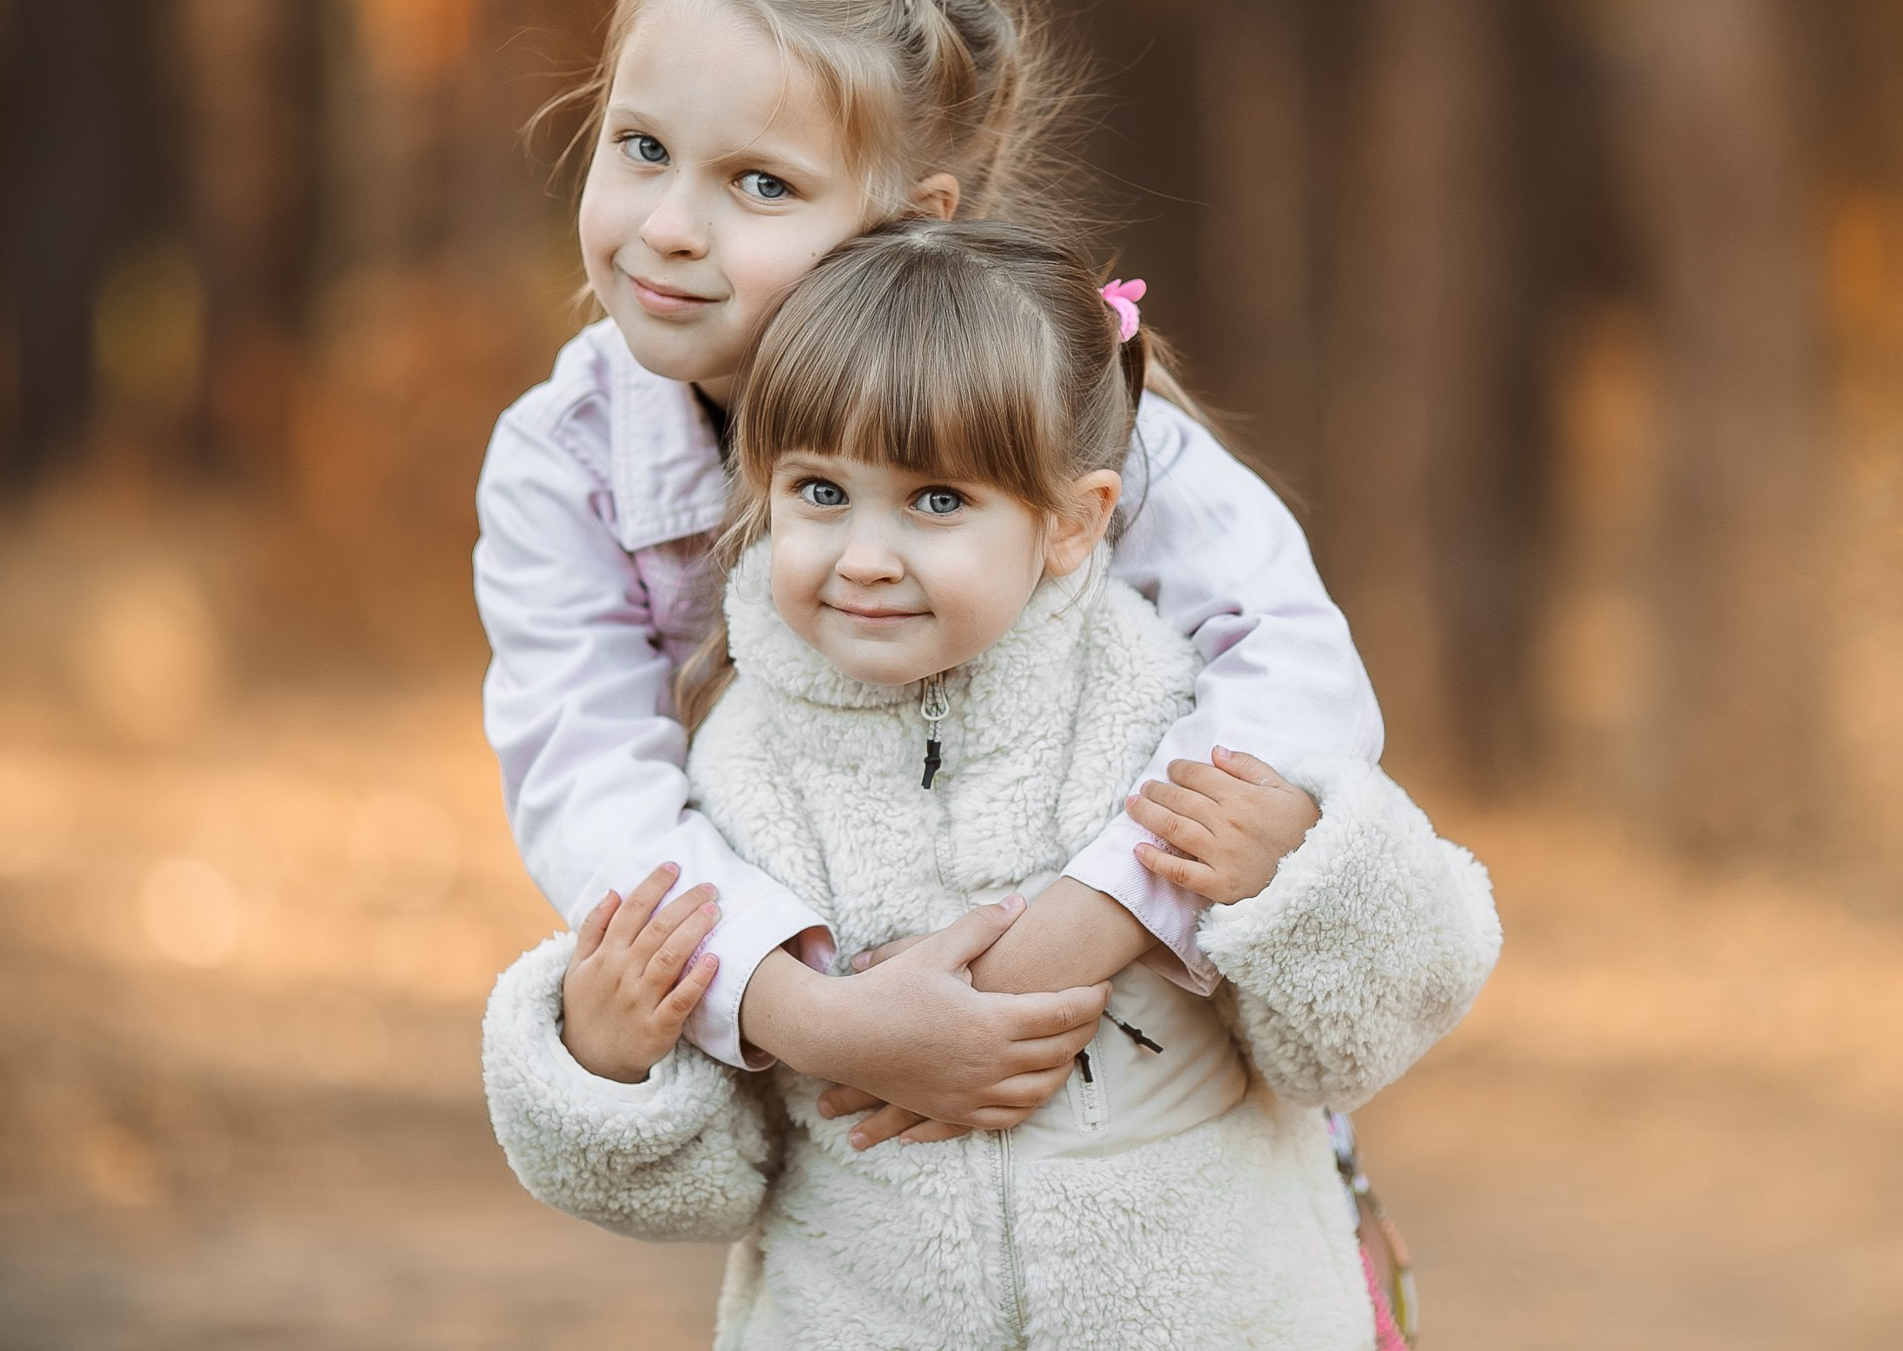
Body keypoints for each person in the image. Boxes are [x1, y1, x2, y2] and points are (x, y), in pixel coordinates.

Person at [475, 0, 1393, 1144]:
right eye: (642, 148)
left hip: (1139, 1090)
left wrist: (1091, 918)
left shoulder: (1057, 401)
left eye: (759, 183)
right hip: (855, 1127)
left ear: (911, 220)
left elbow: (1297, 670)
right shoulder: (563, 462)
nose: (670, 224)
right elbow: (588, 792)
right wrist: (818, 1017)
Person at [483, 223, 1500, 1349]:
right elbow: (712, 1184)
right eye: (820, 491)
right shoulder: (737, 780)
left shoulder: (1170, 719)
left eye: (933, 502)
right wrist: (604, 1061)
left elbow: (1352, 1039)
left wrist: (1302, 878)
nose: (865, 553)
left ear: (1071, 522)